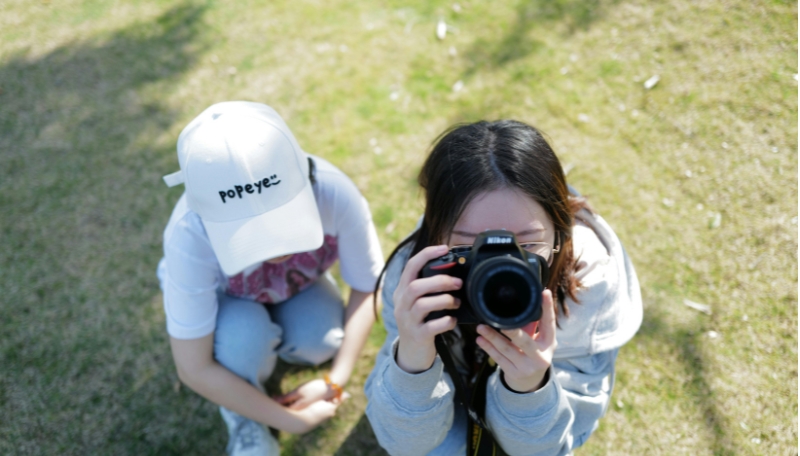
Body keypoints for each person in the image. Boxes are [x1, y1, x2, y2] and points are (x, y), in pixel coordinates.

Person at [364, 120, 642, 455]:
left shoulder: (588, 282)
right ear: (437, 236)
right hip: (451, 394)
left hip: (539, 419)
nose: (500, 267)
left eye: (526, 244)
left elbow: (544, 449)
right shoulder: (420, 273)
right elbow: (405, 443)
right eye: (471, 245)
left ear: (560, 230)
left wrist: (530, 387)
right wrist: (411, 362)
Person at [157, 101, 384, 455]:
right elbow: (194, 367)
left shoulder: (335, 192)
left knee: (321, 342)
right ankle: (246, 417)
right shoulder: (188, 234)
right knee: (243, 341)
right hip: (227, 302)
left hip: (295, 289)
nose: (275, 248)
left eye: (283, 219)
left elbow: (370, 284)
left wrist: (335, 380)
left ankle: (268, 337)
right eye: (247, 232)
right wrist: (289, 420)